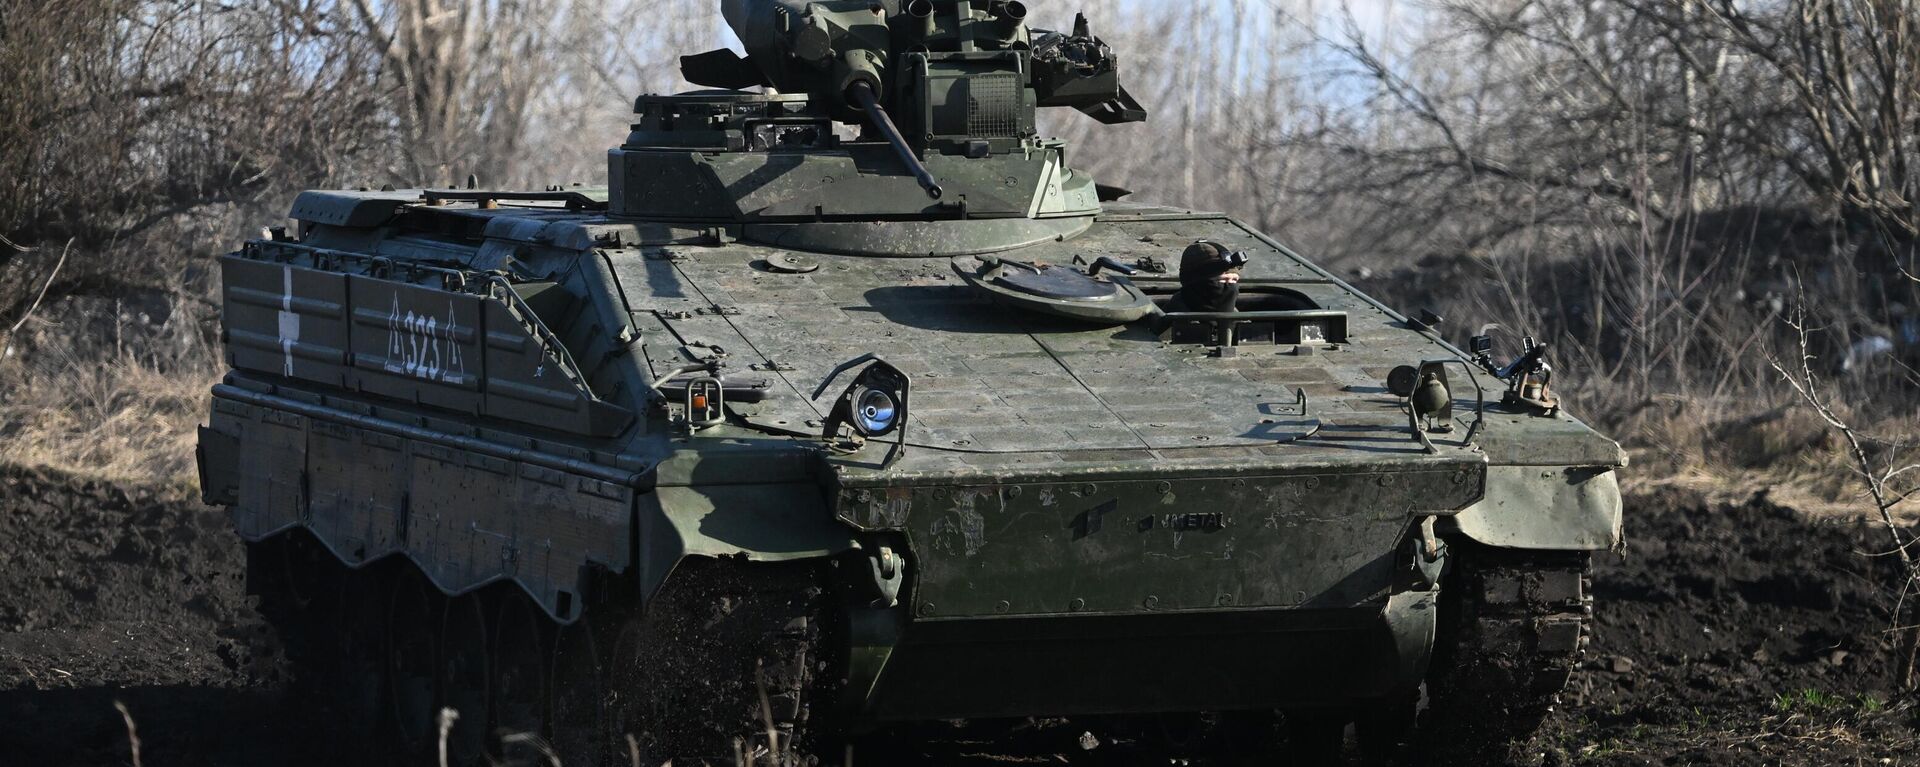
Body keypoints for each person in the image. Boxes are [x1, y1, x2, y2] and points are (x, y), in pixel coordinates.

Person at [1169, 240, 1248, 313]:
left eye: (1234, 280)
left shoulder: (1239, 320)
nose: (1231, 286)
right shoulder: (1170, 319)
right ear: (1197, 284)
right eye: (1224, 280)